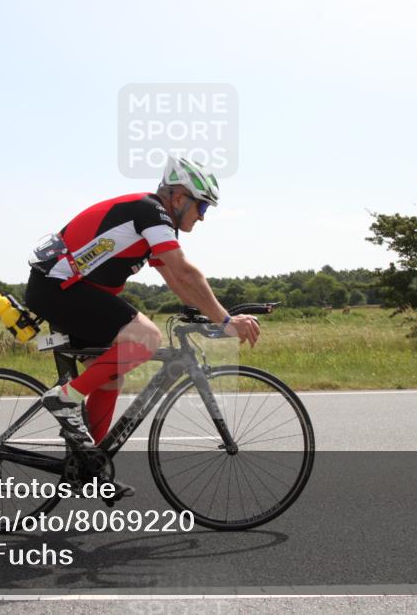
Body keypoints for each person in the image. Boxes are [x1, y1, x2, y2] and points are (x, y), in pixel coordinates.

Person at [24, 157, 261, 453]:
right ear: (178, 198)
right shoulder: (150, 211)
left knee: (110, 378)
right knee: (147, 337)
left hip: (66, 290)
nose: (202, 217)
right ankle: (64, 399)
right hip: (59, 288)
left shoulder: (158, 222)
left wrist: (208, 316)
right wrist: (226, 321)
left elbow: (175, 279)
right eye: (202, 206)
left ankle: (90, 461)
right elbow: (185, 272)